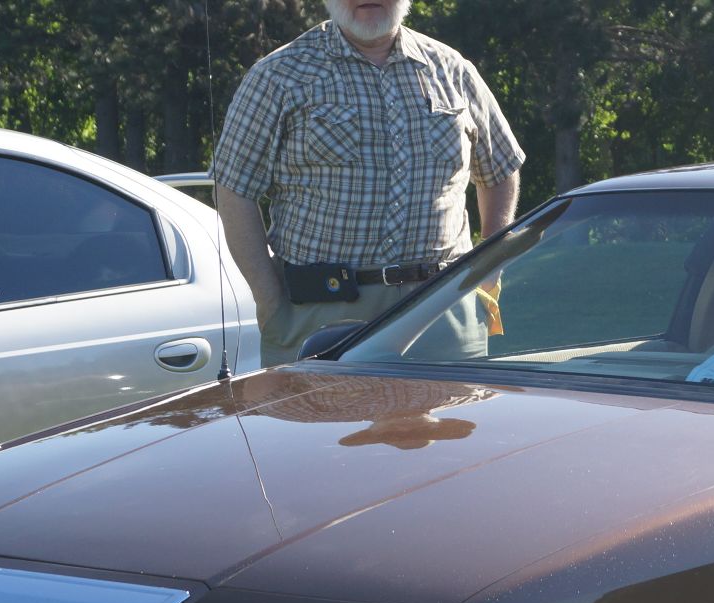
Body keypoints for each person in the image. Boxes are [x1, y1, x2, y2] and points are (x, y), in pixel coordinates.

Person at [211, 0, 525, 359]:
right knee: (320, 417)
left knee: (449, 417)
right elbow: (233, 189)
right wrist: (269, 302)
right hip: (320, 314)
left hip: (444, 310)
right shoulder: (279, 75)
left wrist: (490, 264)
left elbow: (501, 169)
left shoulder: (452, 69)